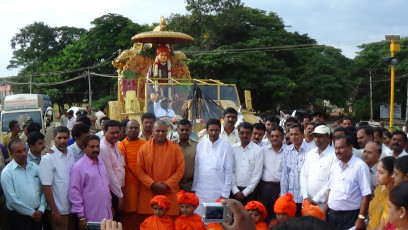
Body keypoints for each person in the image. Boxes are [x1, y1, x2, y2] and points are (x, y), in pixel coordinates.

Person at [136, 120, 185, 221]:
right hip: (150, 192)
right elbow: (139, 171)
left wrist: (167, 185)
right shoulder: (144, 148)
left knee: (169, 224)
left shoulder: (175, 148)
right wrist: (153, 184)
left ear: (167, 132)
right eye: (158, 131)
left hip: (169, 192)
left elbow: (180, 170)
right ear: (153, 131)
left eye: (163, 131)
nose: (160, 134)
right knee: (151, 224)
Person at [325, 135, 371, 230]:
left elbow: (366, 195)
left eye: (341, 148)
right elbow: (331, 191)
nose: (337, 151)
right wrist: (324, 212)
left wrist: (361, 218)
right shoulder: (335, 166)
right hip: (332, 216)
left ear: (350, 147)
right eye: (336, 148)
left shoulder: (360, 166)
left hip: (350, 217)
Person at [1, 138, 46, 230]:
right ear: (11, 154)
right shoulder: (7, 173)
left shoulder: (35, 167)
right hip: (19, 217)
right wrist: (32, 213)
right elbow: (12, 200)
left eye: (25, 150)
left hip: (38, 214)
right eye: (19, 152)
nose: (23, 154)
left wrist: (41, 209)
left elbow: (43, 190)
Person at [192, 118, 233, 216]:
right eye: (211, 130)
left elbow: (228, 171)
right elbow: (197, 168)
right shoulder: (200, 145)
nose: (214, 133)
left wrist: (225, 194)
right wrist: (194, 188)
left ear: (220, 130)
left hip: (217, 191)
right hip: (201, 190)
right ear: (207, 130)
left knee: (214, 221)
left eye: (216, 130)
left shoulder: (226, 147)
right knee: (199, 219)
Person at [69, 135, 112, 229]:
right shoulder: (78, 167)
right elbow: (75, 192)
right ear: (84, 148)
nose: (96, 149)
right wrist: (81, 216)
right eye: (92, 147)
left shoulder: (101, 162)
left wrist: (110, 206)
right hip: (90, 216)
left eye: (97, 146)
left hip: (107, 214)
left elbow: (106, 186)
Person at [39, 126, 76, 230]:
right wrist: (54, 210)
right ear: (53, 139)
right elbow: (46, 186)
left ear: (69, 138)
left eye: (65, 138)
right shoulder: (48, 158)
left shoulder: (71, 153)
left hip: (72, 207)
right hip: (59, 209)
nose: (62, 141)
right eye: (59, 138)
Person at [117, 119, 146, 230]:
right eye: (131, 128)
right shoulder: (120, 146)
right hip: (128, 187)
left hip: (143, 185)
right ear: (125, 130)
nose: (133, 130)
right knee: (129, 215)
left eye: (136, 128)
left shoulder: (145, 145)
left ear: (139, 130)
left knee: (142, 212)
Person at [300, 125, 335, 210]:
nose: (317, 139)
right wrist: (305, 196)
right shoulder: (311, 154)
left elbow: (332, 182)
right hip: (307, 202)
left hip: (323, 204)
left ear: (328, 138)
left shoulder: (334, 156)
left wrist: (316, 199)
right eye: (315, 136)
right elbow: (303, 175)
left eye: (321, 136)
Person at [281, 124, 311, 216]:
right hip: (291, 196)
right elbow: (284, 174)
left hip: (306, 196)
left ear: (303, 135)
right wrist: (283, 195)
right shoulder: (286, 151)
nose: (293, 137)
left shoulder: (311, 151)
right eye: (291, 134)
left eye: (296, 134)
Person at [231, 122, 263, 205]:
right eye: (242, 133)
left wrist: (246, 192)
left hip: (251, 192)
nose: (244, 135)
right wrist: (235, 190)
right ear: (238, 133)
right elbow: (229, 170)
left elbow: (257, 173)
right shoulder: (232, 149)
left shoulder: (258, 150)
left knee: (249, 216)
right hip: (234, 191)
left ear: (251, 133)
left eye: (247, 133)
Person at [99, 120, 125, 221]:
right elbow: (109, 173)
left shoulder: (116, 144)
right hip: (111, 191)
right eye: (112, 133)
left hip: (118, 189)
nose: (115, 135)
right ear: (104, 132)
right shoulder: (103, 148)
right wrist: (120, 195)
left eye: (117, 132)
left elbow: (120, 167)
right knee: (113, 220)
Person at [259, 125, 286, 223]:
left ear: (283, 137)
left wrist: (283, 190)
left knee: (279, 215)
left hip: (281, 187)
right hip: (266, 188)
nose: (275, 138)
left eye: (278, 136)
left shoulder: (288, 151)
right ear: (269, 137)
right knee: (264, 215)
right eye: (273, 136)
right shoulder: (263, 150)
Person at [367, 156, 395, 230]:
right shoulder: (379, 188)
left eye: (381, 172)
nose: (377, 175)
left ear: (392, 174)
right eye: (377, 171)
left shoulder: (394, 196)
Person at [174, 119, 198, 192]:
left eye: (187, 130)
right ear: (178, 130)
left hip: (190, 184)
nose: (184, 132)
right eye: (182, 130)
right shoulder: (171, 145)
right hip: (175, 184)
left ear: (190, 131)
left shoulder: (196, 146)